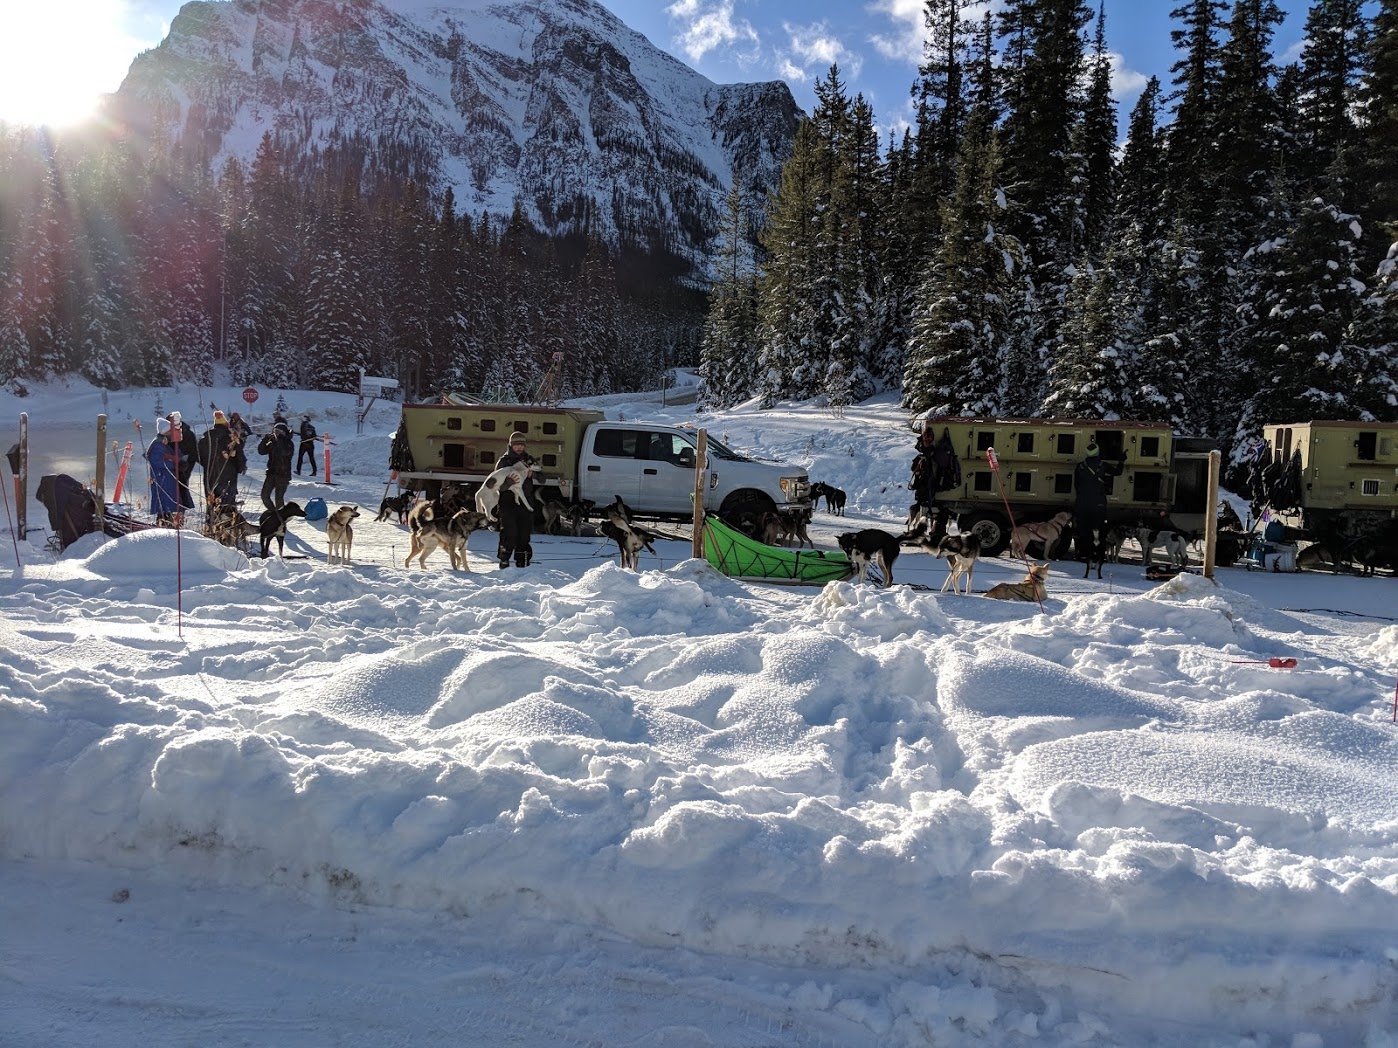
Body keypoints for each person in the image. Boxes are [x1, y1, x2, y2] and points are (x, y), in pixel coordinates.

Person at [1072, 441, 1123, 562]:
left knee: (1083, 529)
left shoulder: (1080, 466)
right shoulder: (1103, 465)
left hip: (1082, 503)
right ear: (1098, 452)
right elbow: (1118, 472)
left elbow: (1076, 485)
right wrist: (1122, 460)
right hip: (1098, 503)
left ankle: (1082, 554)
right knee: (1098, 530)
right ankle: (1097, 555)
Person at [495, 431, 537, 569]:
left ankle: (522, 561)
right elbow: (496, 485)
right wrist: (508, 482)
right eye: (516, 445)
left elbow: (543, 477)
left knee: (524, 534)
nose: (519, 447)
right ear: (511, 445)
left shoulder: (529, 459)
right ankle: (504, 560)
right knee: (509, 533)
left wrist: (533, 474)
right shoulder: (503, 461)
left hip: (526, 502)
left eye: (521, 445)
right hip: (508, 502)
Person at [197, 409, 246, 513]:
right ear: (225, 424)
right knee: (227, 507)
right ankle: (226, 527)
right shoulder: (231, 438)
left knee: (212, 506)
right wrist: (240, 467)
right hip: (228, 477)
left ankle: (211, 526)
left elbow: (199, 457)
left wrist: (208, 465)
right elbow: (239, 456)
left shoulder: (206, 438)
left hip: (210, 478)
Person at [147, 418, 181, 526]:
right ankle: (163, 526)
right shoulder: (158, 445)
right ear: (165, 432)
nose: (171, 433)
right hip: (161, 479)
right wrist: (172, 462)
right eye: (170, 431)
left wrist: (175, 458)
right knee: (164, 504)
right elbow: (157, 462)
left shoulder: (162, 444)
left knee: (167, 505)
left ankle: (166, 523)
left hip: (165, 478)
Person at [257, 417, 295, 511]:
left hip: (283, 475)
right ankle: (274, 513)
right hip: (271, 473)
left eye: (279, 431)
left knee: (279, 499)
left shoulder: (289, 443)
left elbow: (284, 452)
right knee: (264, 496)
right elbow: (261, 451)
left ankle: (281, 519)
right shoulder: (272, 442)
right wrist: (265, 439)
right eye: (275, 431)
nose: (276, 433)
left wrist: (280, 439)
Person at [168, 411, 197, 515]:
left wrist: (186, 464)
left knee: (179, 489)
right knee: (179, 489)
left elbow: (194, 452)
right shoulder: (170, 432)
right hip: (177, 466)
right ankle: (178, 515)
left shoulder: (186, 434)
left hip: (183, 466)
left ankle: (178, 516)